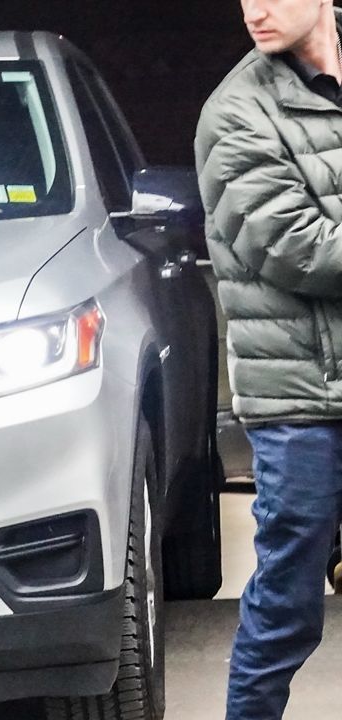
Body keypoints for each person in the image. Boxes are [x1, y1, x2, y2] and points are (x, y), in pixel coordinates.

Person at [195, 1, 342, 718]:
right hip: (300, 397)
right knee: (288, 605)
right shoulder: (235, 113)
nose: (255, 7)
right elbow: (299, 248)